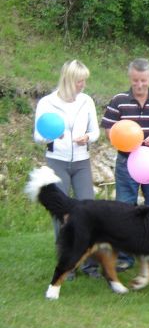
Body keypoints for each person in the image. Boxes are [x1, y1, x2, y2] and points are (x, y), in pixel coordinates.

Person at [101, 58, 149, 271]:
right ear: (130, 78)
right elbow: (109, 130)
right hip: (126, 163)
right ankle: (125, 256)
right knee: (124, 210)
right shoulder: (118, 101)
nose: (140, 85)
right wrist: (124, 140)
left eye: (143, 80)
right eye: (135, 80)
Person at [34, 59, 100, 279]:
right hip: (56, 161)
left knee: (89, 210)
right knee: (61, 213)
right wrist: (51, 135)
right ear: (69, 79)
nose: (83, 85)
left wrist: (87, 137)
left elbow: (96, 132)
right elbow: (37, 135)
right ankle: (67, 265)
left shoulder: (87, 101)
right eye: (80, 80)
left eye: (84, 81)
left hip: (82, 161)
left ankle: (91, 264)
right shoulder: (46, 102)